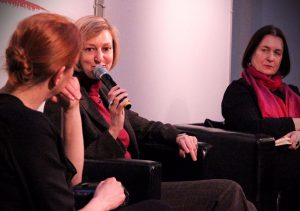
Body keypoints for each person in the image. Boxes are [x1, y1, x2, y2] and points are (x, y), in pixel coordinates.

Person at [44, 15, 257, 211]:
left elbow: (143, 125)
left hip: (140, 179)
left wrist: (178, 136)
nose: (100, 58)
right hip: (114, 190)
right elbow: (72, 168)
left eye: (106, 49)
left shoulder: (104, 89)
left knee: (244, 203)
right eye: (90, 49)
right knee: (228, 191)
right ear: (75, 52)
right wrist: (113, 131)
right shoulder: (66, 97)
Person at [0, 12, 172, 211]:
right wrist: (103, 201)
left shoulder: (15, 115)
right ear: (59, 75)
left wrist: (71, 108)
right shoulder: (31, 129)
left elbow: (73, 180)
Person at [221, 25, 300, 210]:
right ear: (251, 53)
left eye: (277, 53)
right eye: (264, 50)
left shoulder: (292, 93)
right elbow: (252, 125)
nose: (271, 58)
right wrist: (296, 123)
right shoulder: (239, 91)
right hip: (259, 163)